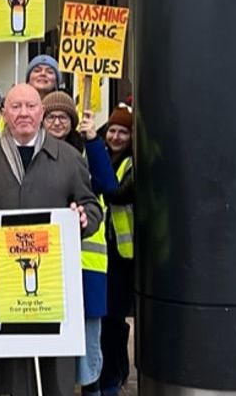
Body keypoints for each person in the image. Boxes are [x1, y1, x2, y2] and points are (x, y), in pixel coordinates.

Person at [0, 83, 102, 396]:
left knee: (53, 369)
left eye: (31, 106)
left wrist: (83, 217)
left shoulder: (68, 157)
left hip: (53, 285)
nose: (23, 113)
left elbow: (91, 205)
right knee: (5, 364)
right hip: (4, 287)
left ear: (42, 113)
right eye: (16, 106)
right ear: (4, 113)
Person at [41, 91, 119, 396]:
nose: (57, 122)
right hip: (47, 264)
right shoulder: (33, 153)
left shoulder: (87, 152)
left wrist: (92, 139)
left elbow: (109, 185)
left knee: (88, 343)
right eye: (51, 117)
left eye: (63, 117)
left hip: (86, 263)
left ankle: (92, 391)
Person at [99, 104, 134, 396]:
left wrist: (97, 181)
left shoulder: (133, 163)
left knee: (114, 319)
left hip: (123, 255)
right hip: (100, 250)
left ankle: (116, 373)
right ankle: (115, 371)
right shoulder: (101, 156)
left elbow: (118, 193)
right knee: (109, 319)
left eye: (123, 131)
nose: (116, 136)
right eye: (112, 130)